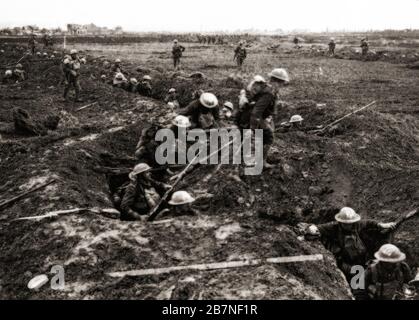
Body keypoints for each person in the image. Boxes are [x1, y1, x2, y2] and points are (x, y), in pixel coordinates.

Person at [305, 207, 397, 279]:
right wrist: (311, 228)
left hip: (362, 259)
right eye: (346, 223)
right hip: (346, 263)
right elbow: (316, 228)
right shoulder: (334, 227)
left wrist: (380, 225)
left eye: (350, 223)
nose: (349, 225)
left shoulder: (356, 225)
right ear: (340, 222)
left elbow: (368, 223)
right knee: (358, 279)